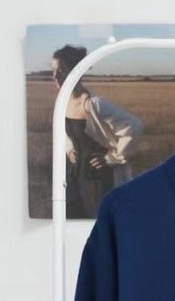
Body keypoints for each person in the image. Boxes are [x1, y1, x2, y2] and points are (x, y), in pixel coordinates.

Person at [51, 45, 144, 219]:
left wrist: (111, 158)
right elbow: (64, 131)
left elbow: (134, 126)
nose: (55, 76)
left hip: (97, 179)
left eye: (61, 71)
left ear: (76, 71)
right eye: (53, 70)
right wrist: (69, 149)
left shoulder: (94, 105)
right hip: (74, 174)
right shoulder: (62, 102)